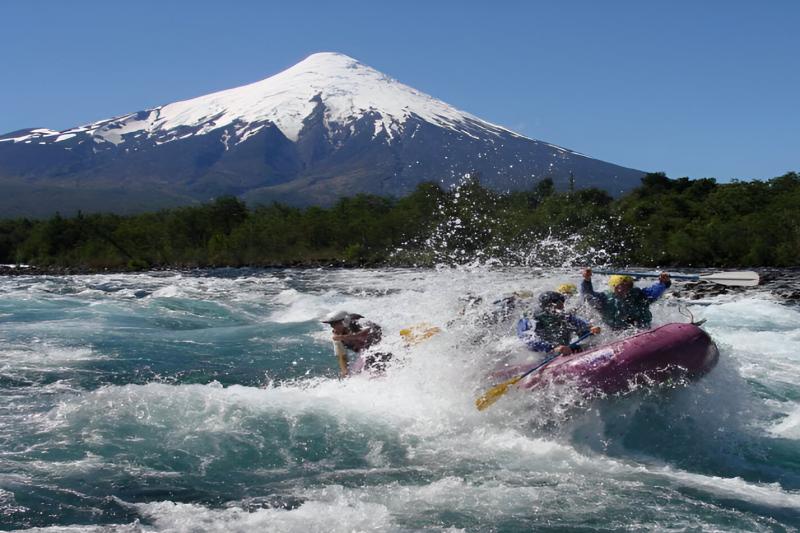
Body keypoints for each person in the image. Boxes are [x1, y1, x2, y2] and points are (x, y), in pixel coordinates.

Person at [580, 268, 671, 330]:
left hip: (642, 329)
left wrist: (663, 282)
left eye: (628, 286)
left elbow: (654, 292)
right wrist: (587, 279)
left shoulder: (638, 294)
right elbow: (588, 294)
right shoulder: (604, 299)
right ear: (614, 287)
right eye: (621, 286)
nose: (625, 289)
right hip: (616, 332)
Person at [516, 291, 601, 355]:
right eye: (559, 304)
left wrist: (590, 329)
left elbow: (579, 324)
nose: (562, 307)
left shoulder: (562, 315)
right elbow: (527, 339)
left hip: (563, 349)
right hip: (541, 354)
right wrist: (552, 348)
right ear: (548, 305)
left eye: (562, 304)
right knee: (532, 358)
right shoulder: (530, 318)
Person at [321, 310, 390, 377]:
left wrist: (346, 337)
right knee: (356, 373)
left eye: (335, 323)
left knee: (373, 364)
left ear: (344, 321)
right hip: (364, 352)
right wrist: (345, 372)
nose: (332, 326)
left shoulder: (357, 322)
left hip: (378, 346)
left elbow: (369, 330)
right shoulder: (337, 336)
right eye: (331, 324)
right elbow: (341, 356)